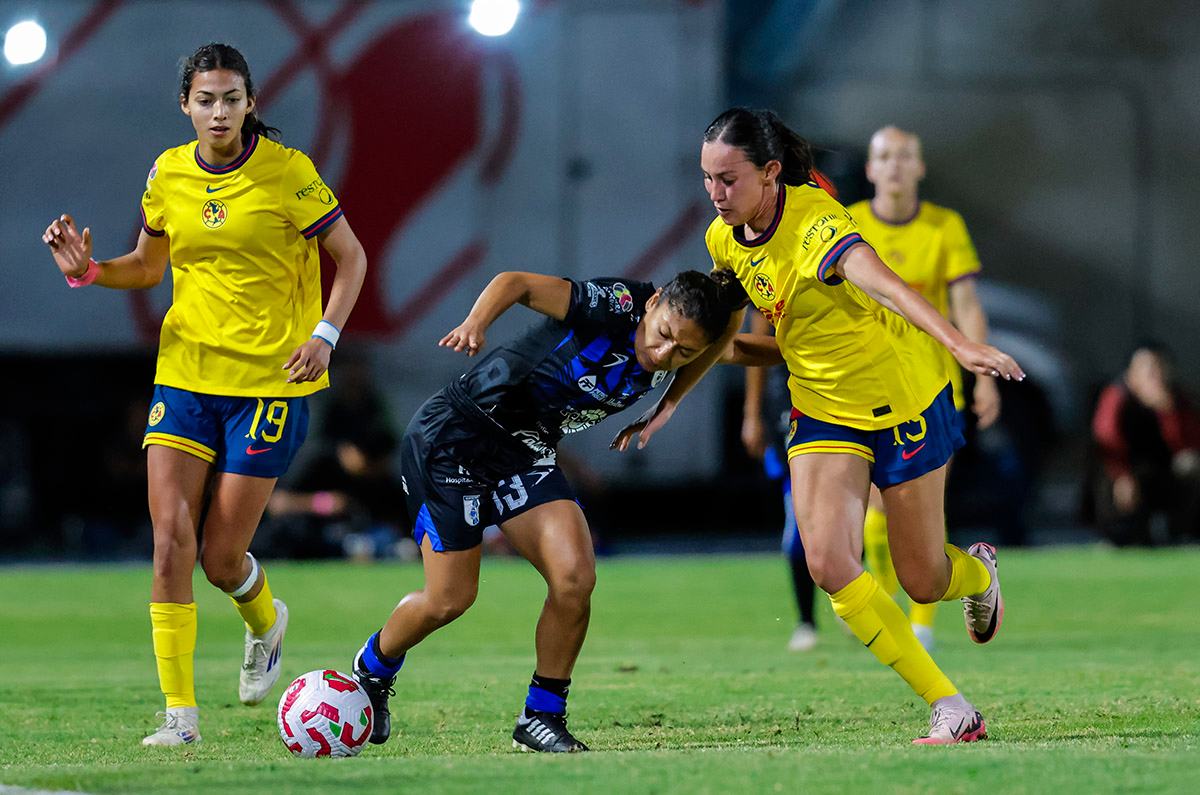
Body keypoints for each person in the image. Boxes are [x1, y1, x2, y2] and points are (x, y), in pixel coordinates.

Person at [617, 107, 1025, 745]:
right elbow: (728, 328)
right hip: (823, 409)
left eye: (728, 179)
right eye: (707, 179)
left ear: (770, 172)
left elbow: (888, 287)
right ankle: (951, 706)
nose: (715, 193)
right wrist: (672, 398)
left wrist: (961, 346)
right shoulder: (725, 237)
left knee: (923, 578)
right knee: (830, 562)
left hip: (903, 399)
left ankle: (977, 574)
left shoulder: (818, 226)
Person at [41, 42, 367, 747]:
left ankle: (266, 622)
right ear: (185, 105)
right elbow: (147, 266)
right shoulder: (168, 173)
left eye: (231, 99)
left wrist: (326, 335)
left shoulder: (288, 172)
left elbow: (351, 257)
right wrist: (90, 270)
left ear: (251, 104)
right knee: (169, 543)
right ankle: (179, 717)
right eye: (206, 99)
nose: (219, 112)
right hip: (186, 376)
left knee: (221, 560)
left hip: (270, 384)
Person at [349, 269, 745, 753]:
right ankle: (372, 669)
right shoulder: (614, 305)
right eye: (663, 335)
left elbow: (734, 350)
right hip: (455, 438)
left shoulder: (686, 343)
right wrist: (476, 323)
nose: (664, 354)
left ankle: (540, 716)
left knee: (574, 578)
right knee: (449, 599)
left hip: (525, 451)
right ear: (653, 301)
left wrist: (809, 350)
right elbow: (515, 282)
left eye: (683, 352)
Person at [847, 125, 1001, 650]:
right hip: (869, 385)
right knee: (875, 508)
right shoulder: (849, 225)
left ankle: (922, 626)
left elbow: (967, 305)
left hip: (933, 387)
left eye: (904, 156)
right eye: (885, 156)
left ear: (920, 167)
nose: (894, 164)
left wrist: (983, 376)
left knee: (923, 509)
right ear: (870, 168)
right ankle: (887, 607)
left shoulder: (943, 226)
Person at [740, 310, 819, 652]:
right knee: (799, 515)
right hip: (789, 402)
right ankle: (806, 620)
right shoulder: (769, 284)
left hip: (844, 390)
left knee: (856, 510)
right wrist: (752, 414)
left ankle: (856, 595)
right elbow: (755, 346)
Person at [1091, 343, 1200, 545]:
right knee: (1106, 474)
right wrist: (1123, 474)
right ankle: (1118, 531)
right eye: (1146, 368)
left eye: (1158, 367)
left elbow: (1188, 445)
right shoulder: (1117, 396)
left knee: (1192, 464)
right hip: (1125, 472)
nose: (1153, 374)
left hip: (1161, 471)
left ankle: (1182, 529)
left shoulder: (1178, 399)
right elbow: (1107, 438)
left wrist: (1168, 412)